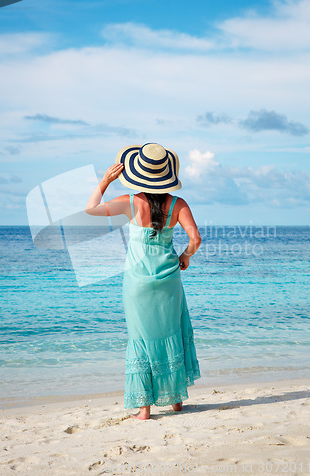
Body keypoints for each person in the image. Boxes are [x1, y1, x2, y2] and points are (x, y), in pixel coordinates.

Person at [85, 142, 201, 420]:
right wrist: (185, 257)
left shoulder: (129, 202)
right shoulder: (178, 204)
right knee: (172, 333)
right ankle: (175, 402)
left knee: (141, 338)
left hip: (136, 282)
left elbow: (90, 210)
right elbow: (195, 240)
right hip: (169, 279)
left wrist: (104, 181)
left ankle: (144, 410)